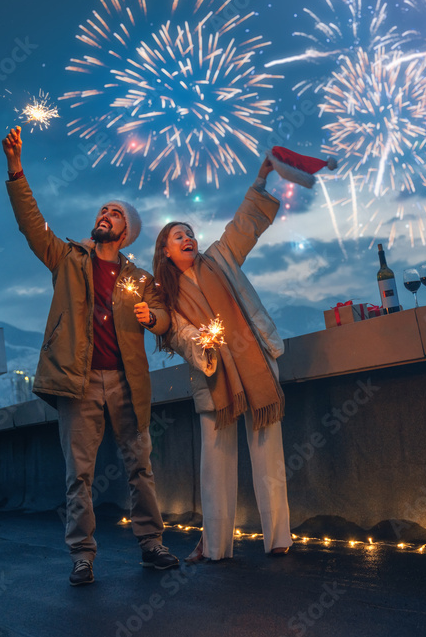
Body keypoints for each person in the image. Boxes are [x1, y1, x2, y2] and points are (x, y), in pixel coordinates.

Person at [1, 126, 179, 586]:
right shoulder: (68, 259)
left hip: (125, 381)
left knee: (140, 466)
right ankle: (82, 554)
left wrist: (151, 317)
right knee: (78, 474)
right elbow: (30, 223)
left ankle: (151, 545)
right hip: (77, 382)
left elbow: (163, 315)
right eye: (103, 209)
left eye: (115, 213)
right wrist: (17, 170)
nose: (105, 214)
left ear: (125, 231)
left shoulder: (137, 277)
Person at [152, 158, 291, 562]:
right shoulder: (167, 294)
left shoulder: (221, 257)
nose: (188, 237)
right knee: (215, 466)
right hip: (214, 379)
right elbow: (177, 334)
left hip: (254, 366)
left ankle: (279, 538)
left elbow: (244, 224)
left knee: (270, 455)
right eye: (179, 235)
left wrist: (261, 179)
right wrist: (205, 342)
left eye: (191, 233)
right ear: (166, 248)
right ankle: (216, 546)